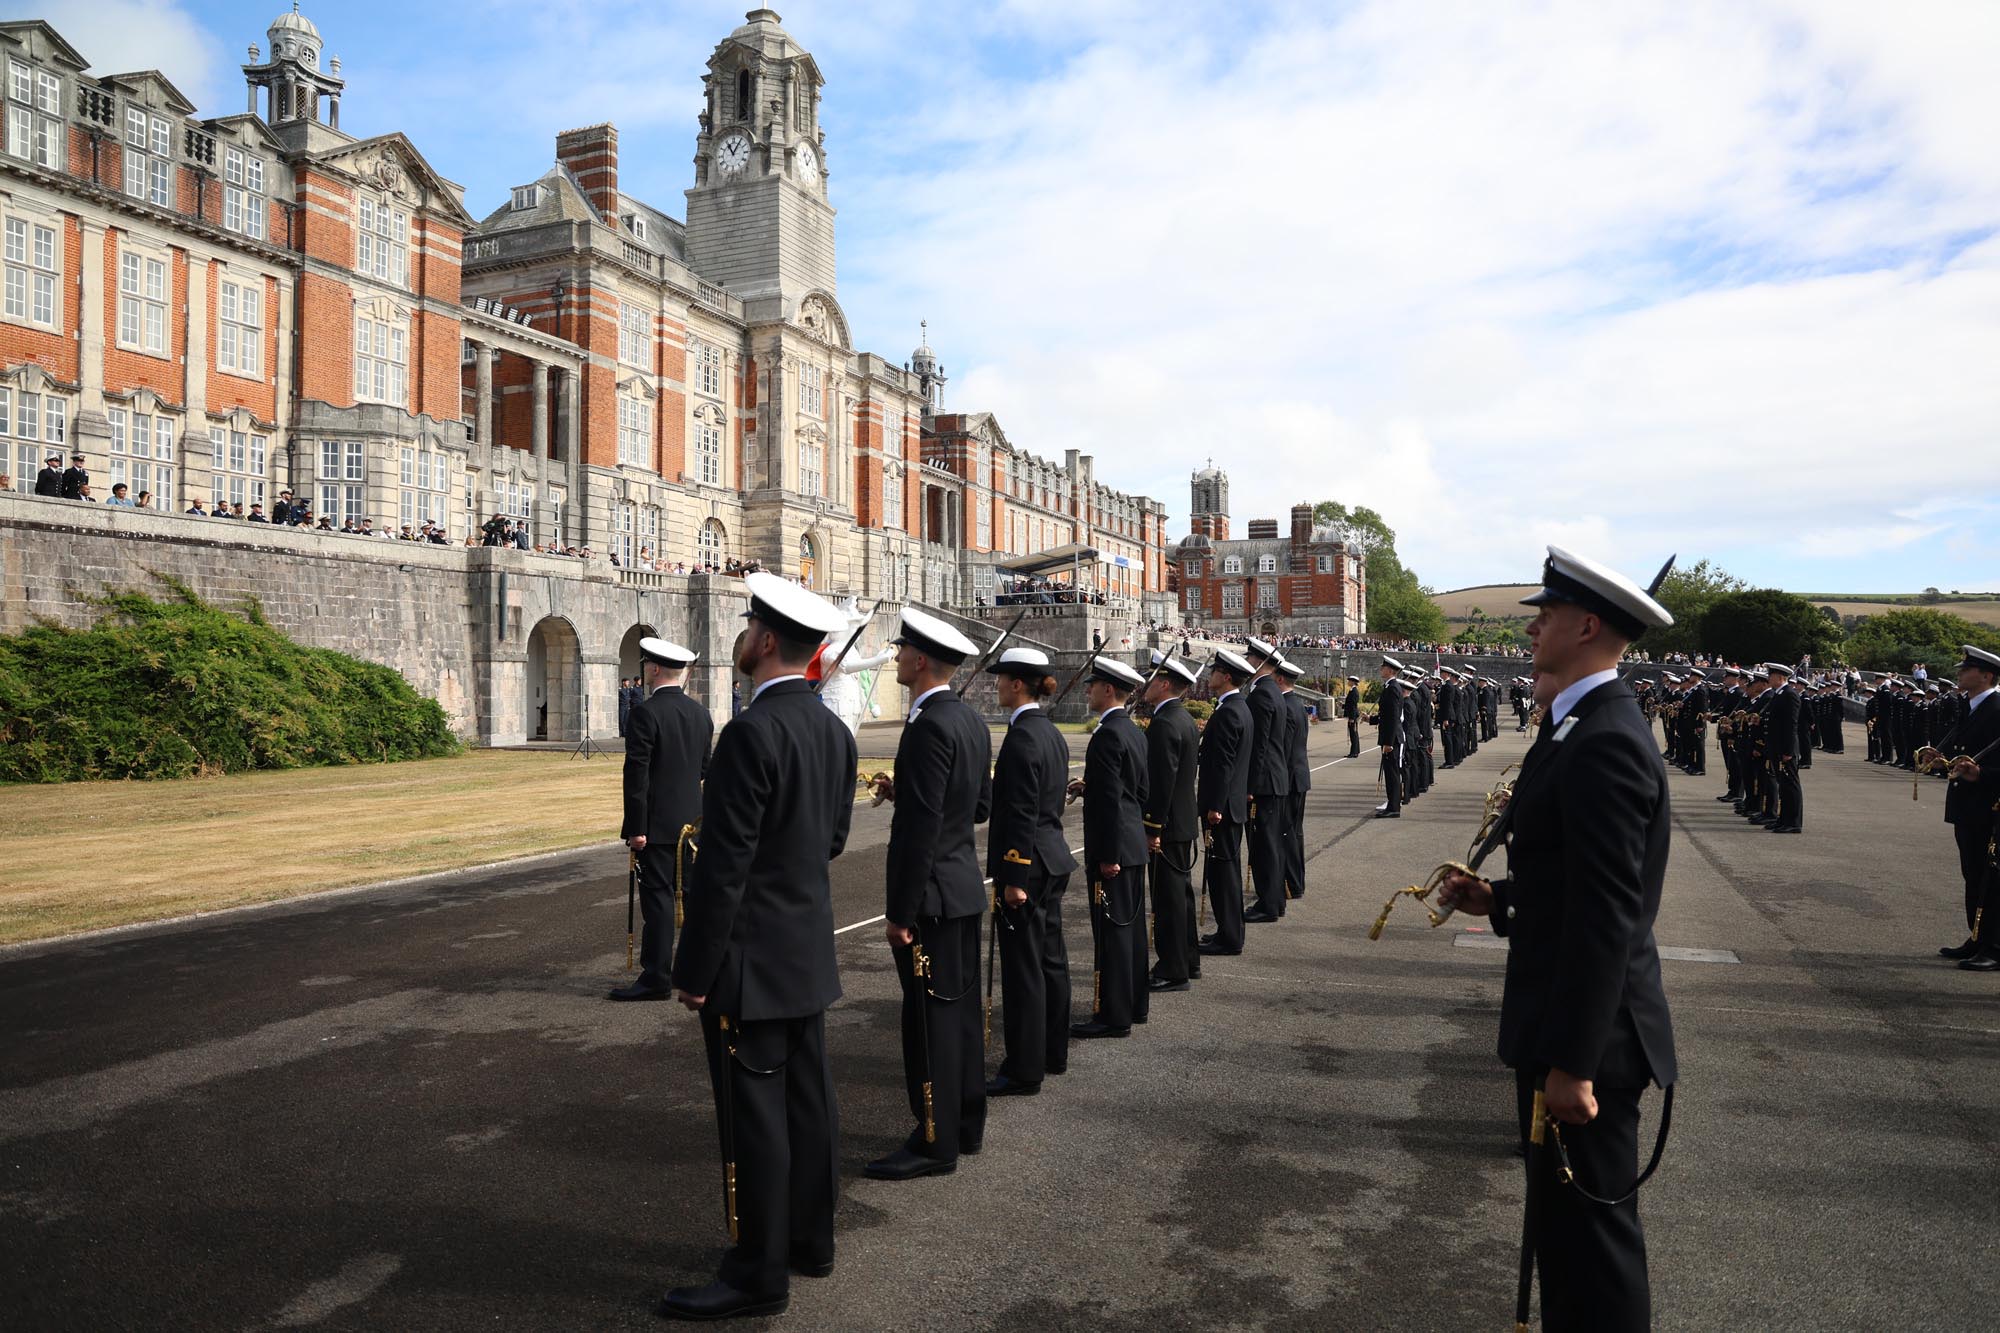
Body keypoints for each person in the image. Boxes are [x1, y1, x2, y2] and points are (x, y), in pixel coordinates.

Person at [1438, 544, 1678, 1331]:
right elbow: (1569, 881)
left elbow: (1608, 915)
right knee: (1565, 1247)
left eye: (1546, 613)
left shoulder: (1604, 735)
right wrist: (1497, 897)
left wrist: (1573, 1063)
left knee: (1593, 1254)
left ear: (1587, 624)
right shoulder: (1580, 724)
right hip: (1564, 1025)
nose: (1533, 625)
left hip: (1590, 1043)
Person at [662, 571, 855, 1322]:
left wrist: (695, 969)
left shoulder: (751, 732)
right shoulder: (833, 731)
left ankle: (756, 1271)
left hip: (750, 960)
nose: (741, 637)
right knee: (808, 1105)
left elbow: (723, 868)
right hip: (805, 947)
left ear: (768, 642)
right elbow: (831, 839)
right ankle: (811, 1240)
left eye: (748, 628)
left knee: (755, 1120)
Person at [865, 608, 992, 1181]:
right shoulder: (969, 722)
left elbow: (919, 832)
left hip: (932, 900)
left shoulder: (927, 726)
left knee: (929, 1024)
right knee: (960, 1018)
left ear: (920, 661)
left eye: (900, 653)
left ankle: (934, 1140)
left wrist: (900, 912)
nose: (895, 659)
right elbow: (976, 808)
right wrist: (908, 794)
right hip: (962, 887)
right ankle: (965, 1125)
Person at [983, 647, 1077, 1096]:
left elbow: (1019, 811)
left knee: (1024, 971)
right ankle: (1052, 1052)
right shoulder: (1050, 732)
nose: (996, 685)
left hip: (1030, 865)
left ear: (1017, 684)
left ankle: (1024, 1068)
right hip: (1052, 856)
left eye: (1001, 678)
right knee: (1050, 963)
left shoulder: (1022, 737)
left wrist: (1014, 878)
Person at [613, 638, 711, 1002]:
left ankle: (656, 976)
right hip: (692, 825)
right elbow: (704, 769)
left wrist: (636, 828)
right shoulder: (701, 714)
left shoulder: (646, 713)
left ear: (654, 670)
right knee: (691, 899)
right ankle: (693, 971)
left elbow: (637, 775)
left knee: (658, 903)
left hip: (656, 827)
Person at [1072, 656, 1150, 1039]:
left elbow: (1108, 805)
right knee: (1131, 932)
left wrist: (1108, 856)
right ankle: (1134, 1004)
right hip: (1133, 842)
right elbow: (1133, 791)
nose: (1087, 691)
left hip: (1115, 850)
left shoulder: (1107, 735)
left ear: (1107, 690)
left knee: (1113, 934)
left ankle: (1113, 1015)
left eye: (1092, 686)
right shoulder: (1133, 731)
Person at [1141, 652, 1201, 991]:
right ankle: (1188, 960)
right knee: (1181, 897)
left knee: (1168, 901)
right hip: (1181, 822)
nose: (1146, 685)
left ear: (1164, 684)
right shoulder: (1183, 718)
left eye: (1152, 679)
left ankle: (1172, 968)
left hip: (1166, 826)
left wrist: (1152, 828)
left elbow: (1161, 782)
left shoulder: (1165, 723)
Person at [1939, 646, 2000, 970]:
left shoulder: (1996, 708)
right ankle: (1977, 937)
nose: (1960, 673)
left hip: (1989, 806)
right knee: (1973, 874)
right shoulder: (1970, 706)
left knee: (1992, 879)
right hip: (1968, 805)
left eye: (1967, 669)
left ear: (1987, 675)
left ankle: (1994, 946)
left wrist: (1983, 774)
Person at [1197, 649, 1255, 958]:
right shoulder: (1238, 707)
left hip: (1222, 809)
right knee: (1224, 873)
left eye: (1215, 672)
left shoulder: (1230, 711)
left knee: (1223, 876)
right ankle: (1227, 931)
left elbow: (1224, 765)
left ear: (1227, 676)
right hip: (1231, 805)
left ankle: (1230, 937)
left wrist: (1215, 806)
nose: (1210, 676)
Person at [1240, 636, 1292, 923]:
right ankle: (1274, 901)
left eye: (1249, 658)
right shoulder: (1272, 691)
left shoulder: (1261, 694)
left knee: (1264, 846)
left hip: (1264, 783)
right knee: (1270, 844)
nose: (1246, 662)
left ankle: (1268, 904)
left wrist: (1250, 786)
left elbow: (1258, 746)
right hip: (1275, 778)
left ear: (1260, 662)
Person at [1276, 658, 1311, 902]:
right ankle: (1297, 881)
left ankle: (1291, 883)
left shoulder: (1286, 707)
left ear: (1279, 679)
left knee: (1287, 833)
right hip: (1300, 775)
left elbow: (1285, 748)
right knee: (1295, 833)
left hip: (1289, 777)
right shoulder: (1296, 704)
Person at [1375, 657, 1407, 818]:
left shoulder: (1393, 688)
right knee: (1390, 773)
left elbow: (1394, 717)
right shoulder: (1390, 687)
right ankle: (1391, 804)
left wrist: (1388, 742)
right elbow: (1386, 715)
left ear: (1391, 670)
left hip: (1393, 739)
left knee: (1393, 774)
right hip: (1390, 737)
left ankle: (1394, 807)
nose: (1381, 669)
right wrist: (1372, 719)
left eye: (1384, 667)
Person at [1342, 674, 1362, 758]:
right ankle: (1355, 751)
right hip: (1352, 715)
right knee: (1353, 734)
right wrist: (1343, 705)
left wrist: (1352, 718)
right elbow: (1349, 705)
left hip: (1353, 716)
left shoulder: (1354, 692)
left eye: (1349, 681)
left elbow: (1353, 706)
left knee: (1353, 734)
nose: (1348, 682)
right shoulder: (1352, 691)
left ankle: (1354, 752)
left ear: (1353, 682)